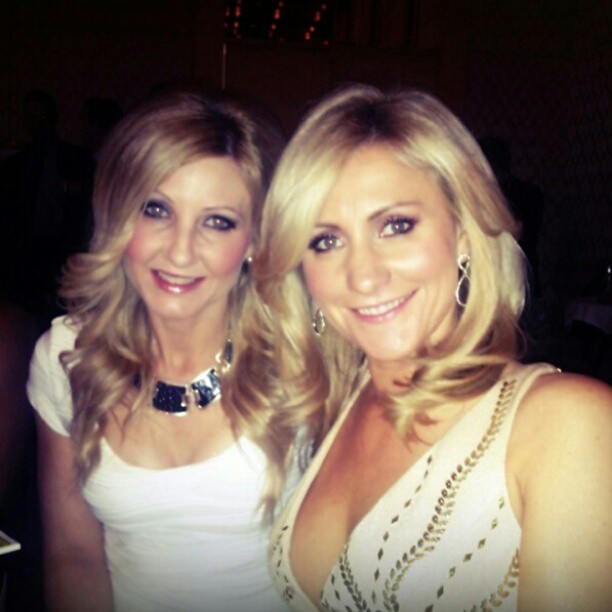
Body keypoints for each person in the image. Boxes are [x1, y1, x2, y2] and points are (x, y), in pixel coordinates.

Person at [229, 85, 612, 611]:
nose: (363, 276)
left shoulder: (570, 422)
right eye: (326, 241)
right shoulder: (335, 405)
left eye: (396, 226)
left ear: (463, 233)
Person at [27, 91, 287, 611]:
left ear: (255, 240)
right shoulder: (67, 357)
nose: (180, 251)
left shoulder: (299, 355)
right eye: (156, 210)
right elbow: (74, 557)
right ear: (119, 215)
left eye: (217, 221)